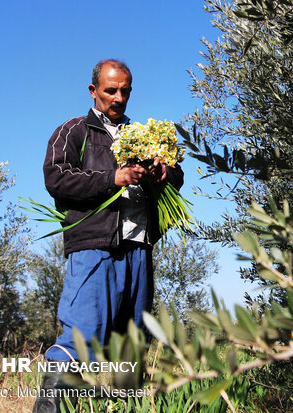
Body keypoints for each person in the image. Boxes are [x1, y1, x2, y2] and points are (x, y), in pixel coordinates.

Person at [33, 59, 183, 413]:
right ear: (93, 91)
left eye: (125, 91)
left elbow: (177, 182)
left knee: (132, 345)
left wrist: (164, 173)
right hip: (94, 248)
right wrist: (110, 179)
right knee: (80, 337)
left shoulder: (143, 134)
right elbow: (55, 178)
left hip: (138, 247)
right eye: (110, 90)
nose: (118, 97)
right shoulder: (74, 131)